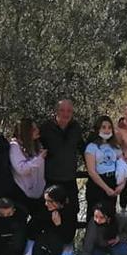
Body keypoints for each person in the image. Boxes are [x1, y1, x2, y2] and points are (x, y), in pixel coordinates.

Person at [40, 99, 83, 245]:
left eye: (69, 111)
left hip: (69, 179)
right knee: (49, 212)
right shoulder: (46, 128)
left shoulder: (76, 127)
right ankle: (50, 247)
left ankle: (67, 247)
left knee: (72, 211)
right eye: (62, 110)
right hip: (51, 179)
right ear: (56, 111)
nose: (66, 114)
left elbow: (83, 147)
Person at [24, 184, 77, 255]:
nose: (46, 204)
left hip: (61, 244)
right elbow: (31, 230)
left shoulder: (70, 212)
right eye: (46, 200)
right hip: (43, 242)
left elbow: (68, 237)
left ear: (59, 202)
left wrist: (59, 225)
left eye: (50, 201)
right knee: (29, 253)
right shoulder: (43, 208)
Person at [84, 115, 126, 211]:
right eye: (103, 127)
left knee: (109, 216)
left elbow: (123, 166)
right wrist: (106, 189)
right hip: (97, 185)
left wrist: (122, 184)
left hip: (112, 181)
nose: (107, 130)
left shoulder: (115, 147)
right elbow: (91, 171)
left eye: (109, 127)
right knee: (94, 216)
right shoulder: (92, 147)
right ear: (98, 129)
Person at [8, 117, 47, 218]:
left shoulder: (36, 144)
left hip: (39, 192)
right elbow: (21, 169)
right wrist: (39, 158)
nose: (37, 131)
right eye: (33, 129)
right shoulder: (15, 146)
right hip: (22, 193)